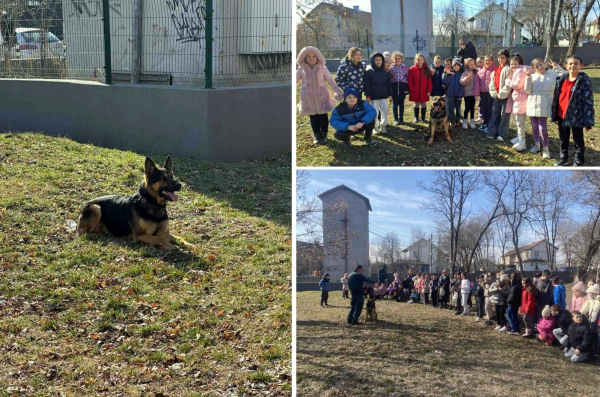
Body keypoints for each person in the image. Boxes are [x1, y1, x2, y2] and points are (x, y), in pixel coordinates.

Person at [551, 55, 595, 166]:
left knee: (578, 140)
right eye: (570, 63)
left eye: (576, 63)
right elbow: (557, 98)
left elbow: (588, 101)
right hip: (562, 115)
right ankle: (563, 157)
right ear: (566, 66)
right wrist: (555, 115)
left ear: (581, 66)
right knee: (563, 139)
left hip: (577, 116)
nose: (573, 66)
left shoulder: (584, 81)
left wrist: (588, 121)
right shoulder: (561, 80)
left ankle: (578, 161)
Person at [296, 46, 344, 145]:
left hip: (322, 96)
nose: (311, 58)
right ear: (304, 58)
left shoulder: (323, 69)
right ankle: (317, 134)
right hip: (308, 97)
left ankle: (324, 133)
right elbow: (295, 82)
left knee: (323, 116)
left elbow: (331, 81)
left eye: (314, 56)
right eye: (308, 56)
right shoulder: (301, 69)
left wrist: (338, 92)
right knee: (313, 116)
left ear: (318, 57)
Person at [523, 58, 559, 158]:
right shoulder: (532, 76)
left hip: (545, 102)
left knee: (542, 127)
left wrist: (557, 67)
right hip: (532, 102)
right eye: (537, 66)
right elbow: (527, 91)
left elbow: (565, 75)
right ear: (534, 69)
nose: (540, 67)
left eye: (541, 64)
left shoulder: (552, 75)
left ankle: (546, 148)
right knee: (534, 126)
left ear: (544, 63)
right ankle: (536, 144)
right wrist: (528, 78)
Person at [504, 53, 532, 151]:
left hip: (521, 99)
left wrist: (507, 81)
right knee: (517, 120)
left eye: (515, 63)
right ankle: (519, 137)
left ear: (519, 63)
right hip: (517, 98)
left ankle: (522, 141)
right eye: (511, 64)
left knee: (520, 121)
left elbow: (517, 85)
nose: (513, 66)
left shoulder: (519, 71)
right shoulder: (517, 71)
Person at [487, 48, 512, 142]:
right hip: (496, 96)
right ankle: (492, 131)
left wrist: (501, 94)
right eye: (499, 58)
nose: (500, 60)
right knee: (495, 113)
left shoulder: (508, 69)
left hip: (505, 97)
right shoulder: (495, 70)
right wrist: (494, 94)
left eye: (503, 58)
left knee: (504, 116)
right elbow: (491, 84)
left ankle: (502, 133)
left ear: (507, 58)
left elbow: (508, 84)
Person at [365, 52, 393, 135]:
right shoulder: (369, 72)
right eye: (376, 60)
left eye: (380, 60)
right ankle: (375, 127)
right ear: (373, 61)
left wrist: (390, 94)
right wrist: (368, 96)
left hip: (383, 96)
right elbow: (367, 85)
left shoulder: (386, 73)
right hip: (373, 97)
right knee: (375, 112)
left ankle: (383, 125)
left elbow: (389, 85)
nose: (378, 62)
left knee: (384, 111)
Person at [408, 53, 433, 123]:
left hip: (424, 91)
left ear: (424, 61)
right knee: (416, 104)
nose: (420, 61)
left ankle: (423, 117)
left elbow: (429, 82)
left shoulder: (427, 70)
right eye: (418, 60)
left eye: (421, 60)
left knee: (423, 104)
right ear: (415, 60)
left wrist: (429, 91)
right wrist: (411, 89)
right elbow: (409, 80)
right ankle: (416, 117)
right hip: (415, 90)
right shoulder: (412, 69)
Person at [389, 51, 410, 125]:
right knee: (395, 104)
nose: (397, 60)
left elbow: (407, 77)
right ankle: (395, 119)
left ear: (401, 59)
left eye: (399, 59)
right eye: (395, 59)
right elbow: (389, 77)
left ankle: (401, 119)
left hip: (402, 88)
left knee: (401, 103)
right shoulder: (391, 67)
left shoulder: (404, 67)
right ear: (392, 59)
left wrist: (407, 87)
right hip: (394, 87)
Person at [459, 58, 481, 129]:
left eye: (474, 64)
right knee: (467, 107)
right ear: (467, 65)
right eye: (471, 65)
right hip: (467, 93)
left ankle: (472, 120)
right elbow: (462, 82)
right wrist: (467, 78)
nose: (473, 66)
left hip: (474, 93)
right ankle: (465, 120)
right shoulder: (465, 72)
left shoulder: (476, 72)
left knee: (472, 107)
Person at [477, 55, 496, 134]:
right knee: (483, 108)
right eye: (486, 60)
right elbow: (477, 83)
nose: (487, 62)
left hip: (490, 93)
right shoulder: (481, 71)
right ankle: (485, 123)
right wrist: (477, 93)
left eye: (489, 60)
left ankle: (489, 124)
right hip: (482, 93)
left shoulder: (495, 70)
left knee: (490, 109)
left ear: (492, 61)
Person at [443, 58, 465, 127]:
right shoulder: (450, 73)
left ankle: (458, 119)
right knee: (451, 108)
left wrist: (460, 95)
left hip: (458, 95)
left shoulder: (461, 74)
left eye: (457, 65)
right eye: (454, 66)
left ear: (460, 66)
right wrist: (448, 74)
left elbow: (462, 86)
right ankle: (452, 121)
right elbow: (446, 82)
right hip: (450, 94)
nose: (456, 67)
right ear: (452, 66)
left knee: (458, 108)